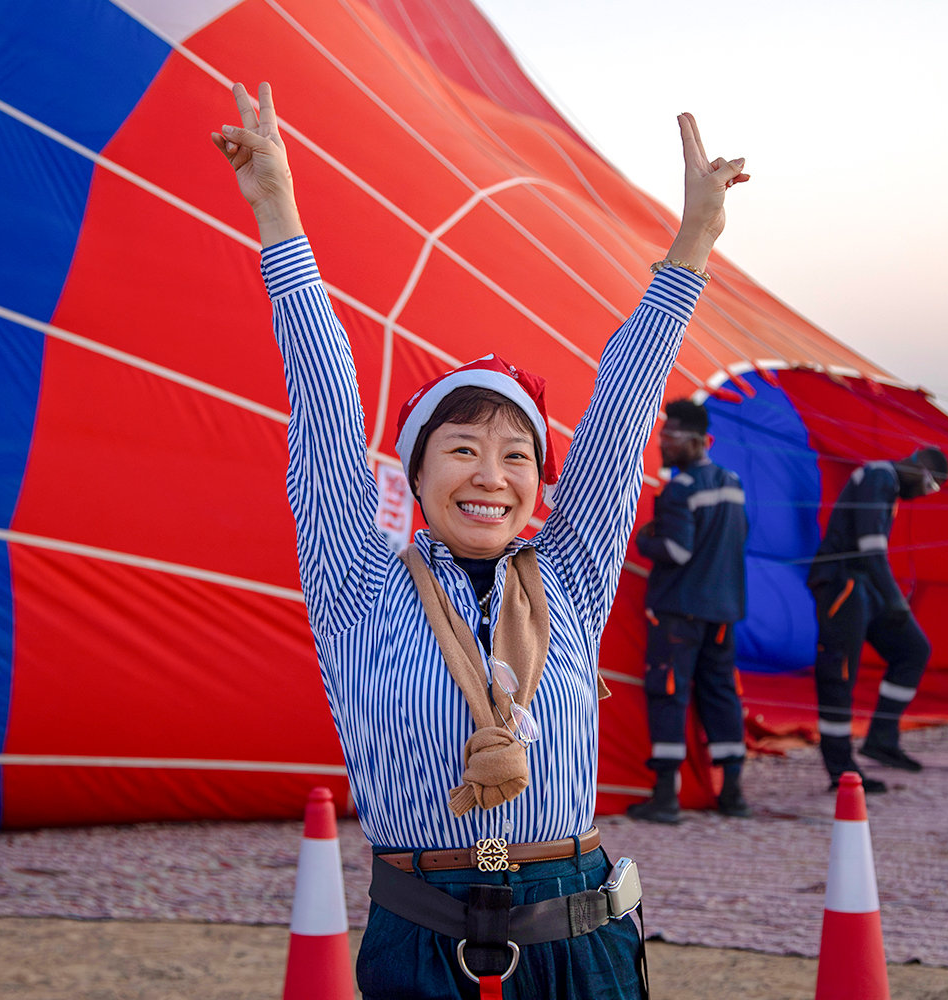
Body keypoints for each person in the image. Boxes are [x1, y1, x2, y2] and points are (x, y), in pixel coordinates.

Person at [213, 82, 745, 998]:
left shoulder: (570, 578)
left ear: (540, 485)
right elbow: (326, 405)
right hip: (421, 944)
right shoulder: (359, 586)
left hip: (580, 942)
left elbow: (619, 417)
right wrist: (279, 217)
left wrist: (690, 248)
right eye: (460, 449)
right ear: (416, 480)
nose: (490, 475)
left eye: (515, 455)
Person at [626, 398, 751, 823]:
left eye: (670, 435)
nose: (662, 441)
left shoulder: (680, 488)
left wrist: (644, 539)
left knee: (668, 693)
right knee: (720, 695)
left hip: (680, 611)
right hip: (724, 613)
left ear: (696, 441)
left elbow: (677, 550)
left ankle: (665, 798)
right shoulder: (732, 483)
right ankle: (732, 793)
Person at [806, 448, 948, 793]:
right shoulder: (878, 476)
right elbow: (871, 548)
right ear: (917, 466)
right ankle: (841, 769)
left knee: (913, 650)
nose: (923, 495)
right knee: (839, 677)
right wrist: (895, 599)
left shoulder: (887, 484)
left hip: (866, 587)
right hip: (844, 584)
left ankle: (882, 737)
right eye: (929, 486)